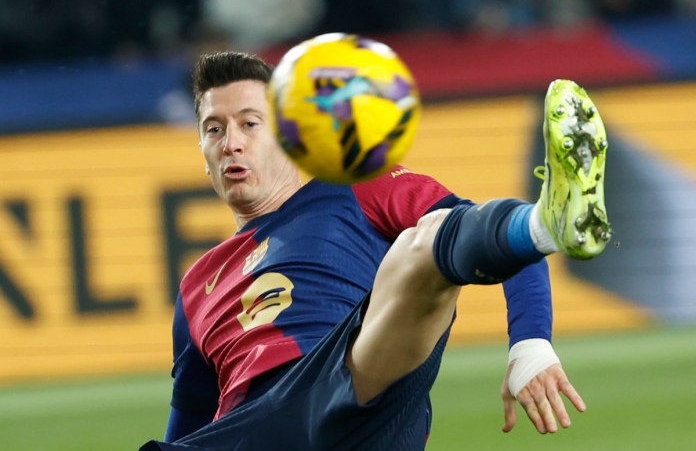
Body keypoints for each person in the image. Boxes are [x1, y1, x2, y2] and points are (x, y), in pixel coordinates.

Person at [140, 46, 610, 450]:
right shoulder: (197, 286)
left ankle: (547, 224)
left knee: (424, 243)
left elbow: (476, 232)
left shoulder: (353, 187)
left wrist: (530, 344)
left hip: (355, 390)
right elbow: (188, 429)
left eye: (249, 123)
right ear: (201, 149)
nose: (231, 143)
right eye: (215, 129)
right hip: (254, 429)